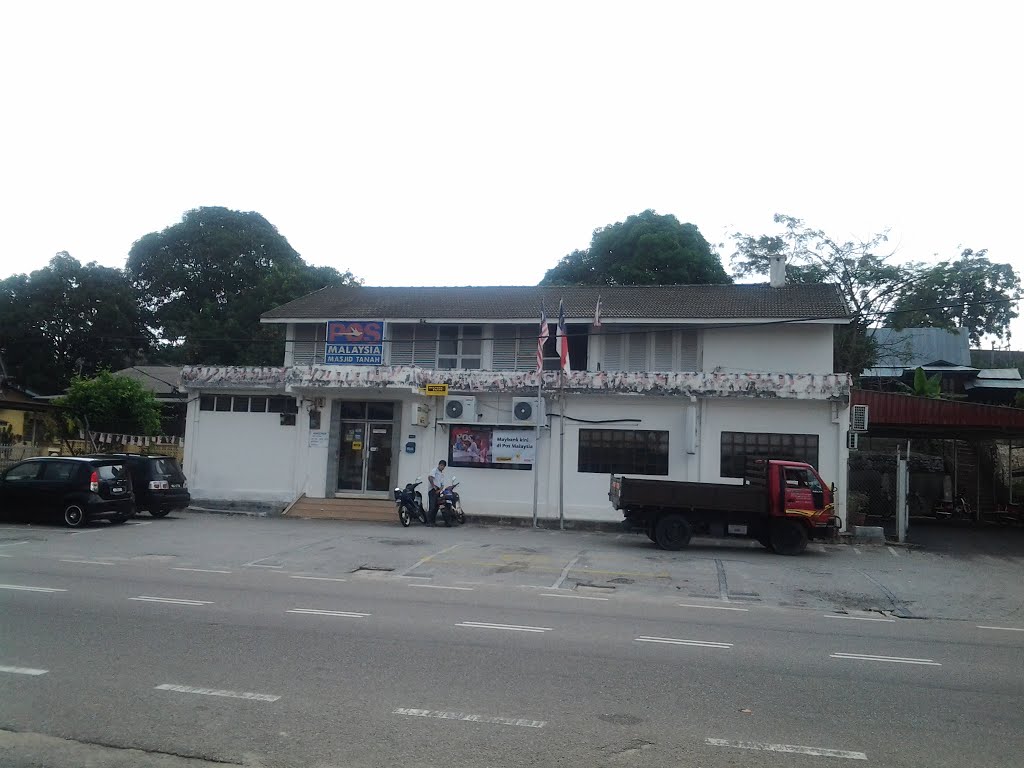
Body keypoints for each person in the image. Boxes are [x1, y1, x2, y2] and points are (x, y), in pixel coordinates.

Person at [426, 459, 448, 526]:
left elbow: (442, 485)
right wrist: (433, 486)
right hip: (433, 490)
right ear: (439, 465)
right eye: (441, 465)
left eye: (443, 466)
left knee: (436, 507)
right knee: (432, 506)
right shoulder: (435, 470)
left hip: (438, 490)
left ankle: (433, 521)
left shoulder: (441, 474)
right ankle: (429, 522)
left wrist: (439, 490)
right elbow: (430, 477)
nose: (442, 467)